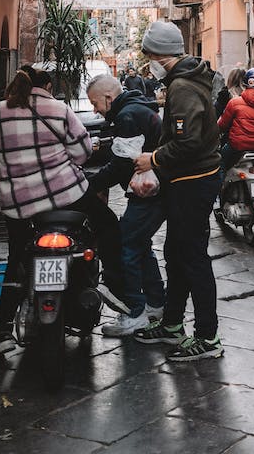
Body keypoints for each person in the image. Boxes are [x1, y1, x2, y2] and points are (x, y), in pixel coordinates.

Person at [0, 67, 129, 358]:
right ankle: (114, 286)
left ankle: (2, 332)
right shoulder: (58, 109)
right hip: (66, 194)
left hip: (19, 204)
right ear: (47, 85)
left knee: (16, 258)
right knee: (107, 224)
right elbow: (82, 151)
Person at [133, 21, 222, 362]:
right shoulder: (184, 80)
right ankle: (172, 324)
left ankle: (208, 336)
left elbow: (188, 141)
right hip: (189, 179)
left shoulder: (182, 86)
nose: (149, 62)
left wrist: (152, 159)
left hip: (193, 180)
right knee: (176, 251)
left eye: (150, 55)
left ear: (160, 54)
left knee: (193, 256)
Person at [86, 75, 165, 337]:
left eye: (95, 103)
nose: (95, 110)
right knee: (140, 244)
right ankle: (155, 303)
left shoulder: (127, 116)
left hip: (149, 193)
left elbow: (122, 163)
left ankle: (135, 312)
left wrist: (91, 184)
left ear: (109, 98)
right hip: (156, 190)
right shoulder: (139, 108)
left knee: (127, 245)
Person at [218, 67, 254, 174]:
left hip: (236, 146)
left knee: (220, 161)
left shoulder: (234, 102)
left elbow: (223, 124)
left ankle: (220, 189)